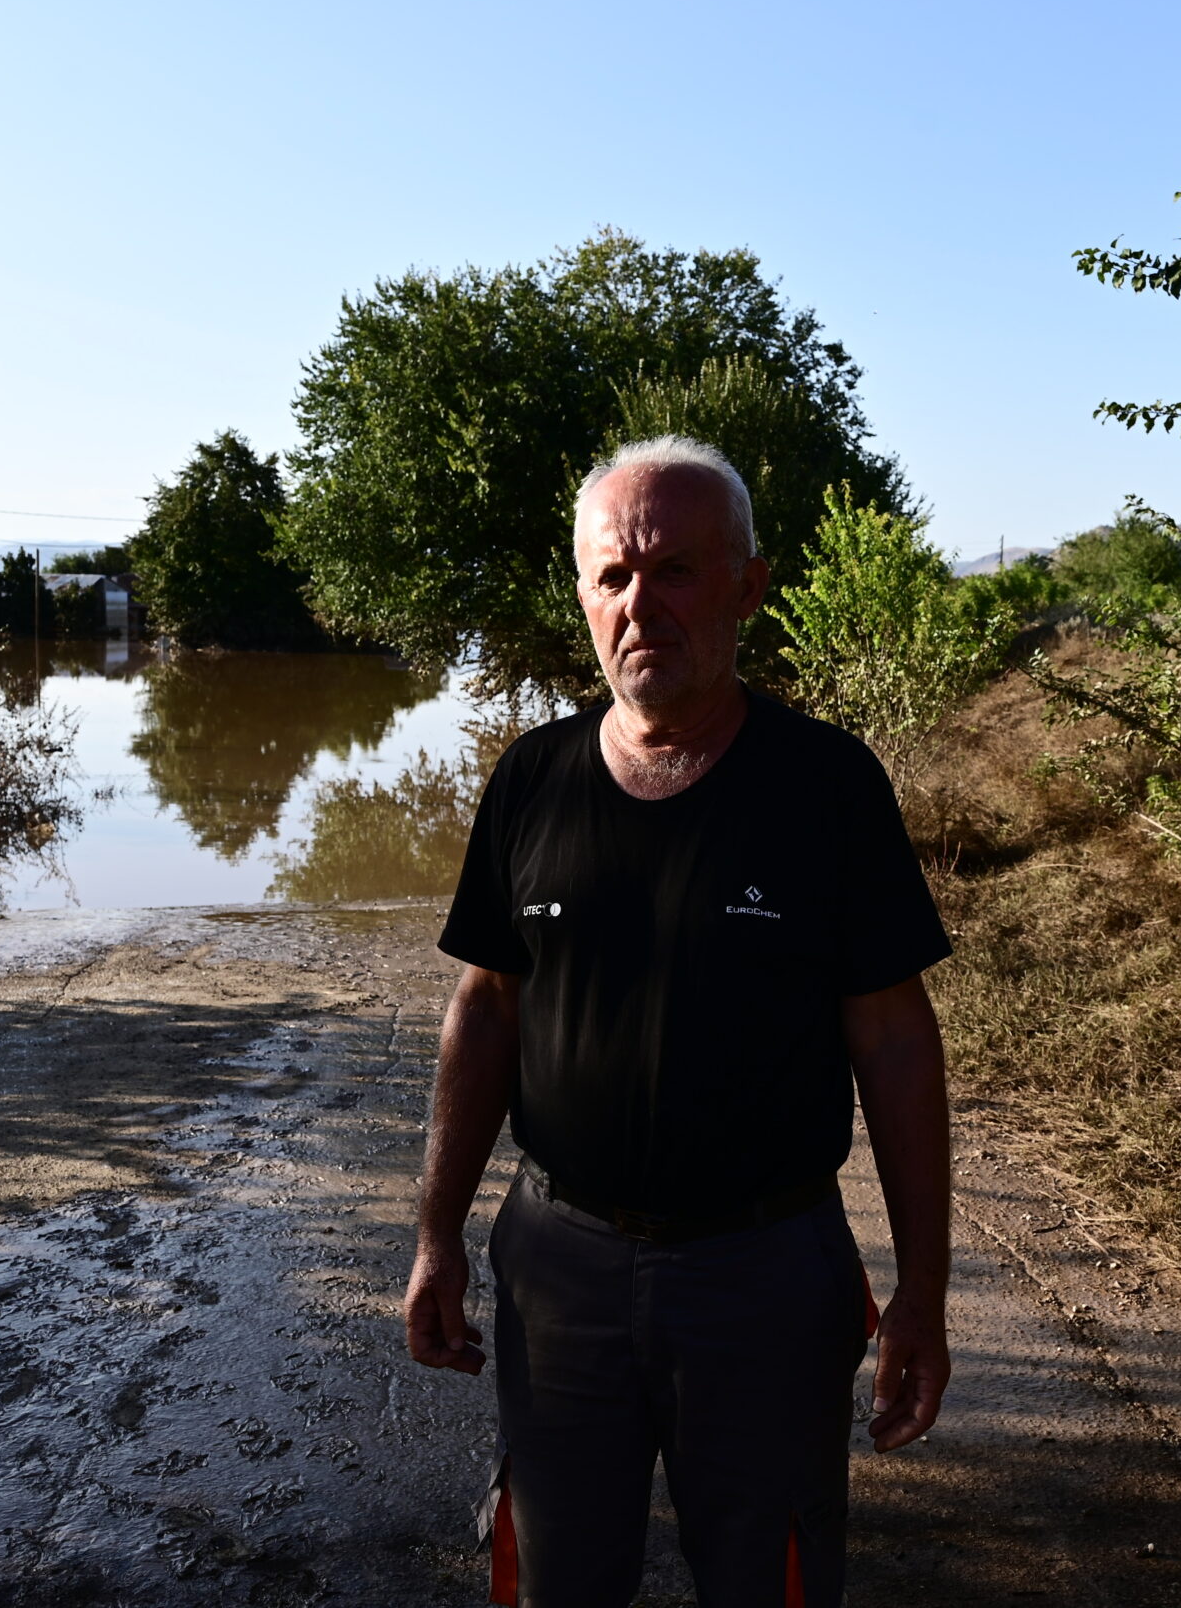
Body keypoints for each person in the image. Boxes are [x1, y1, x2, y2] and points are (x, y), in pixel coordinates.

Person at [404, 435, 953, 1608]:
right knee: (558, 1570)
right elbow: (486, 1008)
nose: (638, 602)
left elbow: (897, 1043)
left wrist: (922, 1290)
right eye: (612, 576)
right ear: (584, 598)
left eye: (675, 570)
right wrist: (437, 1232)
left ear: (750, 586)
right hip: (558, 1262)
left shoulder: (826, 786)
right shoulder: (531, 780)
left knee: (771, 1573)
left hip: (765, 1270)